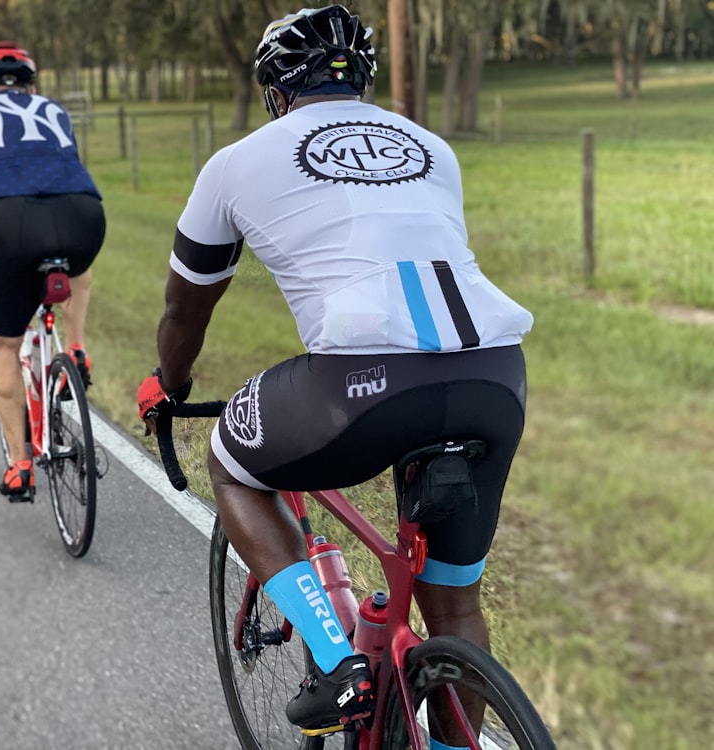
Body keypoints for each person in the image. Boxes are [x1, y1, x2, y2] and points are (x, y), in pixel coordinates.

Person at [137, 5, 533, 743]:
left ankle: (338, 659)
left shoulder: (236, 162)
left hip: (364, 383)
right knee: (453, 600)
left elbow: (184, 309)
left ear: (275, 91)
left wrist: (170, 382)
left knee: (232, 461)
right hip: (496, 376)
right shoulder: (432, 147)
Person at [0, 41, 105, 498]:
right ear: (31, 83)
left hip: (13, 222)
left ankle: (20, 463)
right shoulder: (53, 110)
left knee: (3, 346)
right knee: (76, 266)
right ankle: (77, 346)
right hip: (86, 215)